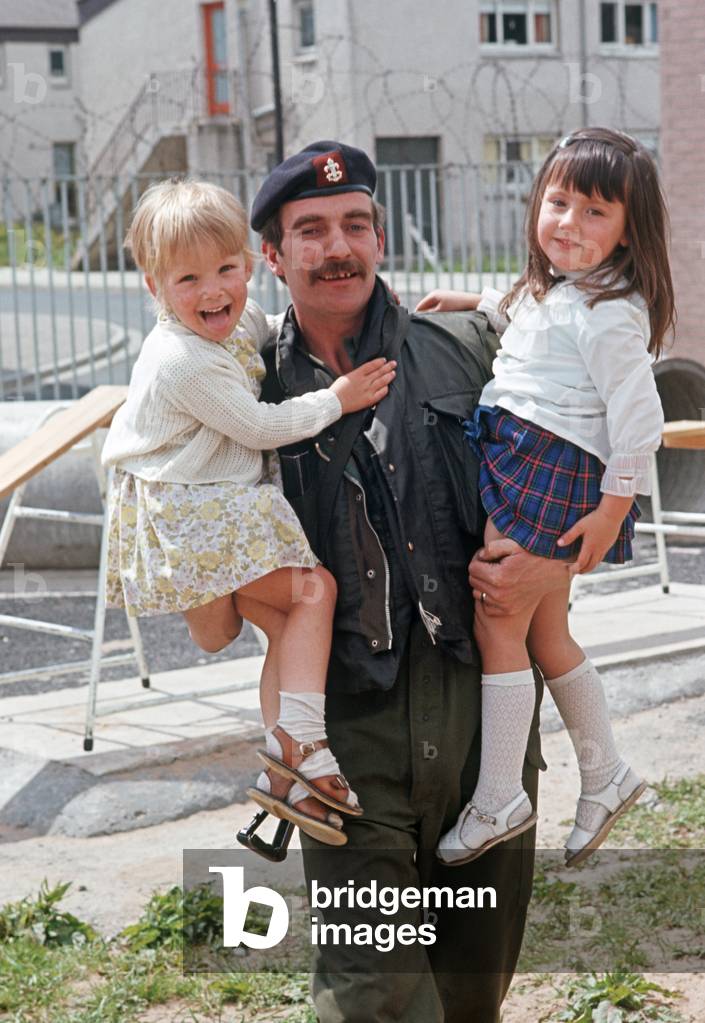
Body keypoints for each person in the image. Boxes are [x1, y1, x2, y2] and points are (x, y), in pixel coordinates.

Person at [252, 139, 572, 1023]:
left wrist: (552, 560)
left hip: (483, 725)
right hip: (349, 738)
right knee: (378, 995)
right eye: (309, 230)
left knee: (474, 993)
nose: (337, 246)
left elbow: (594, 440)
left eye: (355, 223)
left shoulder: (468, 351)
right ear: (272, 257)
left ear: (381, 237)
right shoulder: (244, 389)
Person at [101, 178, 398, 846]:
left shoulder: (232, 323)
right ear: (154, 288)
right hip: (194, 513)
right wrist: (339, 397)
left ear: (245, 260)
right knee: (314, 590)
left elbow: (270, 322)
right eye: (188, 280)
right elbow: (262, 425)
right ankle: (306, 746)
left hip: (220, 504)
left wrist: (377, 309)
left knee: (283, 622)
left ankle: (283, 780)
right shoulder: (181, 358)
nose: (214, 292)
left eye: (226, 270)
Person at [417, 128, 674, 869]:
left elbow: (640, 421)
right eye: (557, 202)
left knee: (499, 613)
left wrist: (613, 510)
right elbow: (533, 329)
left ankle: (499, 793)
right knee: (544, 633)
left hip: (548, 466)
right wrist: (478, 301)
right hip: (529, 454)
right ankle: (605, 772)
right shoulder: (559, 293)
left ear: (630, 232)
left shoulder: (610, 313)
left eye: (595, 211)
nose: (568, 222)